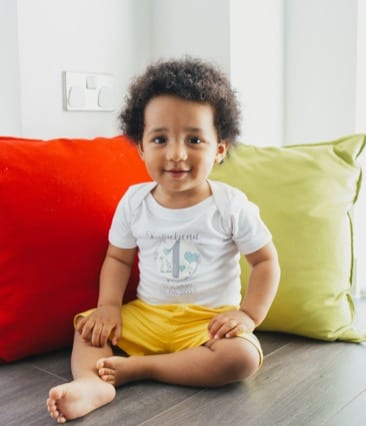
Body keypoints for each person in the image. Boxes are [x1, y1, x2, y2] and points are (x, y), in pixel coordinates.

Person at [47, 57, 280, 423]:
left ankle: (145, 368)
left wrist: (248, 316)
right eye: (160, 138)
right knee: (88, 329)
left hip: (207, 323)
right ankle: (93, 384)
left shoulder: (229, 205)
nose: (176, 153)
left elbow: (265, 261)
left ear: (220, 148)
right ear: (140, 146)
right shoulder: (135, 202)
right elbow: (119, 259)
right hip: (148, 315)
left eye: (194, 139)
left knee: (243, 357)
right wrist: (108, 305)